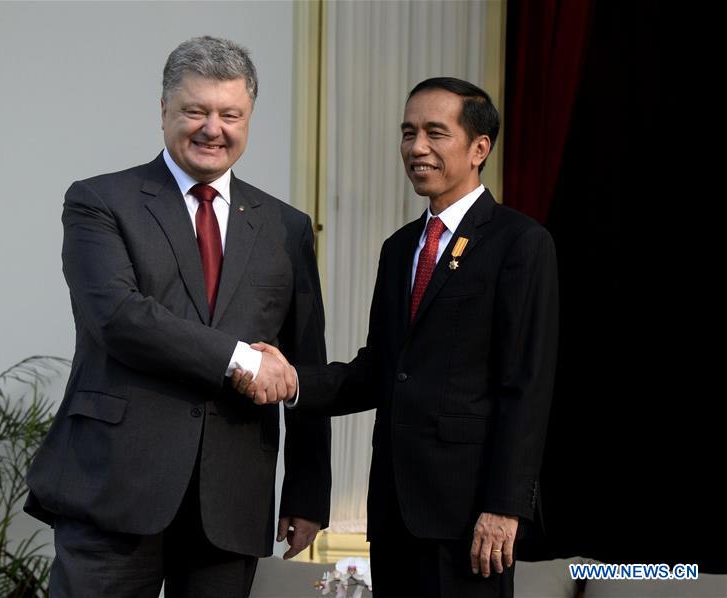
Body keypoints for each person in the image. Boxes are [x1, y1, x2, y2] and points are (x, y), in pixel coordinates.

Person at [24, 36, 331, 598]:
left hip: (231, 498)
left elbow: (301, 361)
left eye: (230, 114)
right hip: (115, 490)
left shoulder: (287, 227)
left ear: (248, 118)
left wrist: (308, 492)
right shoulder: (99, 201)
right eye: (196, 111)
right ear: (164, 111)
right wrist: (239, 358)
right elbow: (119, 317)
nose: (213, 128)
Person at [234, 77, 559, 598]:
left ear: (480, 148)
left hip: (470, 519)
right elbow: (379, 370)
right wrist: (293, 381)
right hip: (392, 513)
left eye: (435, 132)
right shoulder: (400, 247)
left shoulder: (519, 243)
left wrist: (504, 506)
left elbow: (528, 385)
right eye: (408, 133)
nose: (417, 148)